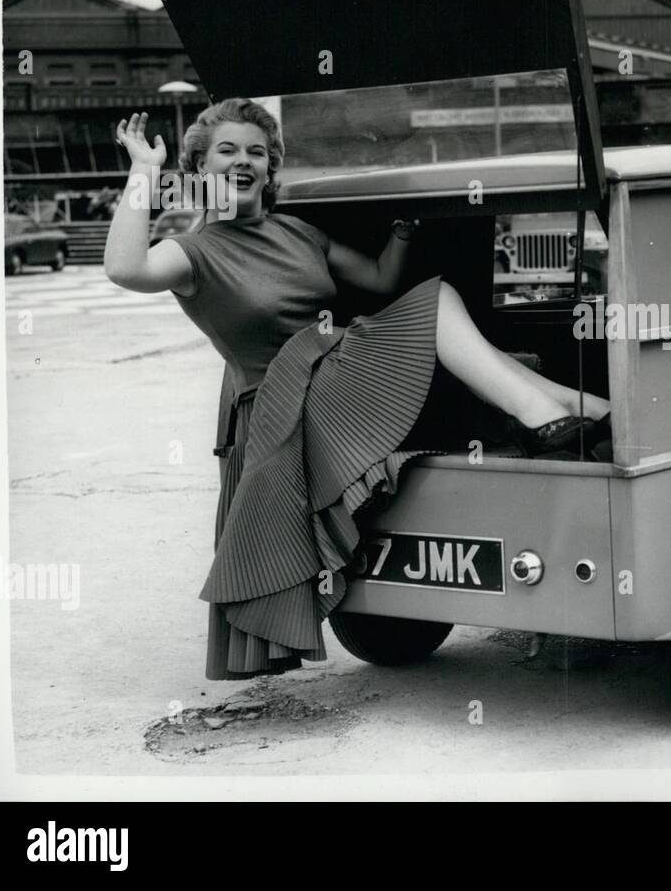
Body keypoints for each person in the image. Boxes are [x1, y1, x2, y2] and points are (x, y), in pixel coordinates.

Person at [105, 99, 609, 679]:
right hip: (283, 405)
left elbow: (379, 280)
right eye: (227, 150)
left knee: (433, 299)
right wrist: (144, 170)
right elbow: (124, 269)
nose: (244, 160)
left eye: (257, 152)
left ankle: (568, 406)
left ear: (270, 171)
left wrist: (399, 233)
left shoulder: (295, 231)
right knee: (438, 301)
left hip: (332, 376)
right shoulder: (192, 253)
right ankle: (554, 410)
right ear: (198, 167)